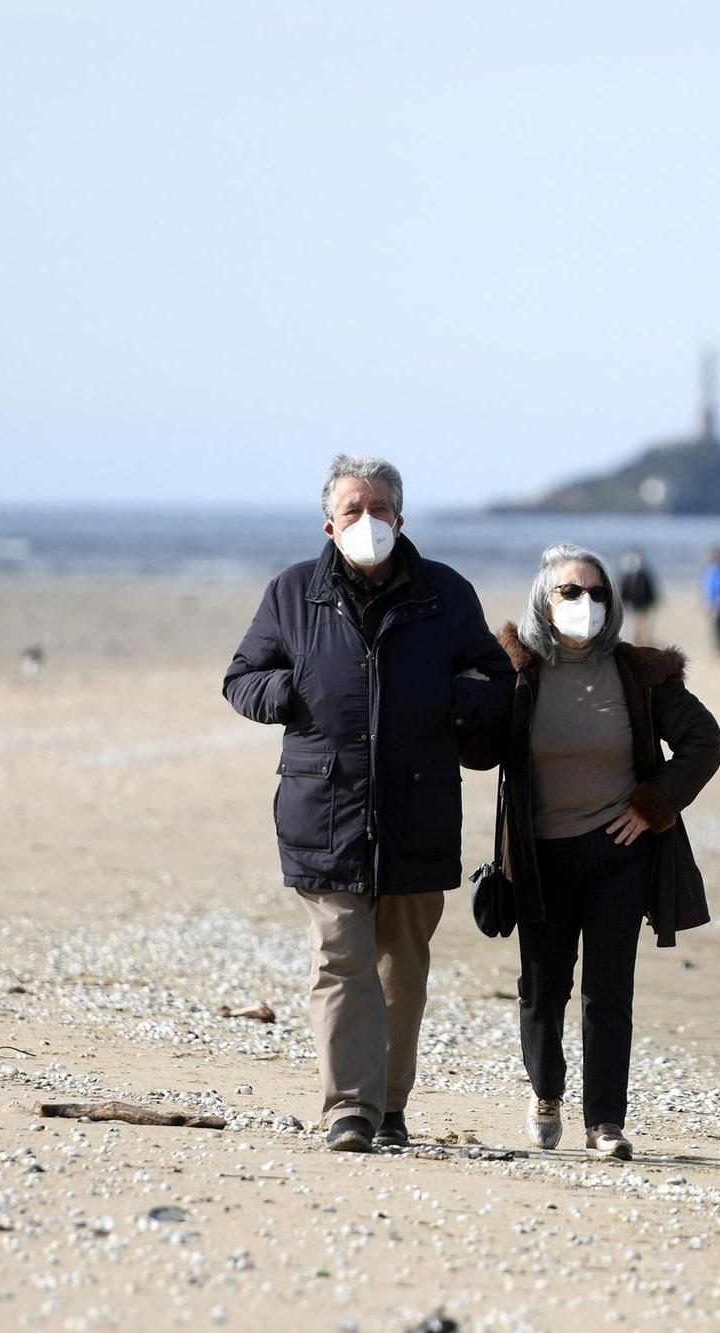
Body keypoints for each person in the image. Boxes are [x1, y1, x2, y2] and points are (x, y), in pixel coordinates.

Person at [223, 455, 514, 1153]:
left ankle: (389, 1104)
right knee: (340, 960)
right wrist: (288, 694)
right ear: (329, 523)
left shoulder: (446, 593)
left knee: (401, 968)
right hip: (324, 808)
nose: (367, 520)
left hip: (419, 808)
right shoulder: (292, 593)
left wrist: (449, 699)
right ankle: (348, 1108)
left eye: (379, 508)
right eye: (353, 509)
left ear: (400, 518)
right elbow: (242, 677)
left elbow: (498, 678)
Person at [469, 545, 720, 1158]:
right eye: (570, 592)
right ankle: (546, 1090)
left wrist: (652, 806)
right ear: (543, 600)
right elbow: (474, 750)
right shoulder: (516, 670)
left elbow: (702, 741)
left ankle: (605, 1122)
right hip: (539, 861)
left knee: (609, 991)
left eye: (598, 593)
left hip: (619, 856)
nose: (586, 603)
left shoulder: (640, 672)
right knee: (542, 989)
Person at [617, 548, 661, 646]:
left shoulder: (644, 576)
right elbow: (622, 593)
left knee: (643, 630)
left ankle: (643, 645)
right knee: (631, 631)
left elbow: (651, 592)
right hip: (630, 608)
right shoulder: (626, 576)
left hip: (643, 608)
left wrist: (648, 606)